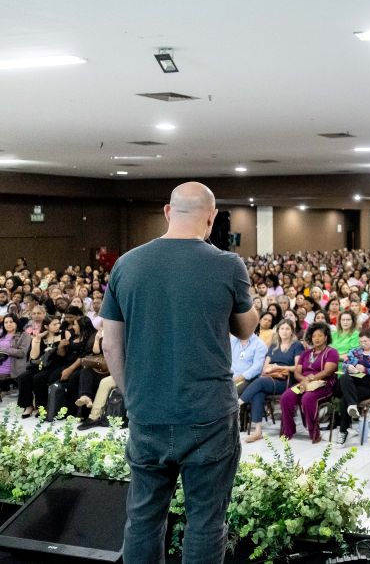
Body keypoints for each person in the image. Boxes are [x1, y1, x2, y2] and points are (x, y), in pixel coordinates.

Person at [100, 182, 258, 563]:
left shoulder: (126, 264)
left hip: (148, 413)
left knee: (143, 520)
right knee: (205, 523)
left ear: (168, 212)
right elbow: (245, 329)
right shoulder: (227, 265)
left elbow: (110, 345)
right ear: (211, 218)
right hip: (208, 416)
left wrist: (133, 395)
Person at [243, 319, 303, 443]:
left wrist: (278, 367)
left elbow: (297, 367)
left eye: (287, 329)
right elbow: (265, 367)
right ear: (278, 331)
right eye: (282, 328)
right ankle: (258, 431)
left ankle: (237, 404)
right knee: (258, 393)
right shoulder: (273, 346)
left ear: (292, 331)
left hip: (286, 380)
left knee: (259, 383)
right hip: (271, 377)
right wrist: (270, 368)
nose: (284, 331)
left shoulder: (297, 346)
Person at [279, 322, 338, 443]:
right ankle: (288, 430)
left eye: (320, 335)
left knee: (307, 399)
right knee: (286, 397)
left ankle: (314, 432)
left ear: (326, 337)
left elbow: (327, 372)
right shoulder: (306, 353)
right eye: (314, 336)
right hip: (304, 383)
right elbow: (297, 372)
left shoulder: (331, 352)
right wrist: (304, 381)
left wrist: (311, 379)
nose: (316, 338)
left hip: (323, 385)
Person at [332, 331, 370, 446]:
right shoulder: (354, 351)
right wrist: (349, 367)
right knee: (345, 377)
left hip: (368, 385)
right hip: (352, 382)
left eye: (365, 341)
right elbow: (344, 365)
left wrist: (365, 370)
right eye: (360, 341)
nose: (362, 344)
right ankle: (352, 406)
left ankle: (343, 431)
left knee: (345, 398)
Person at [230, 332, 267, 397]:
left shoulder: (260, 345)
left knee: (229, 393)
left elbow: (257, 368)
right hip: (229, 377)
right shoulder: (232, 339)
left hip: (246, 379)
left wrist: (237, 379)